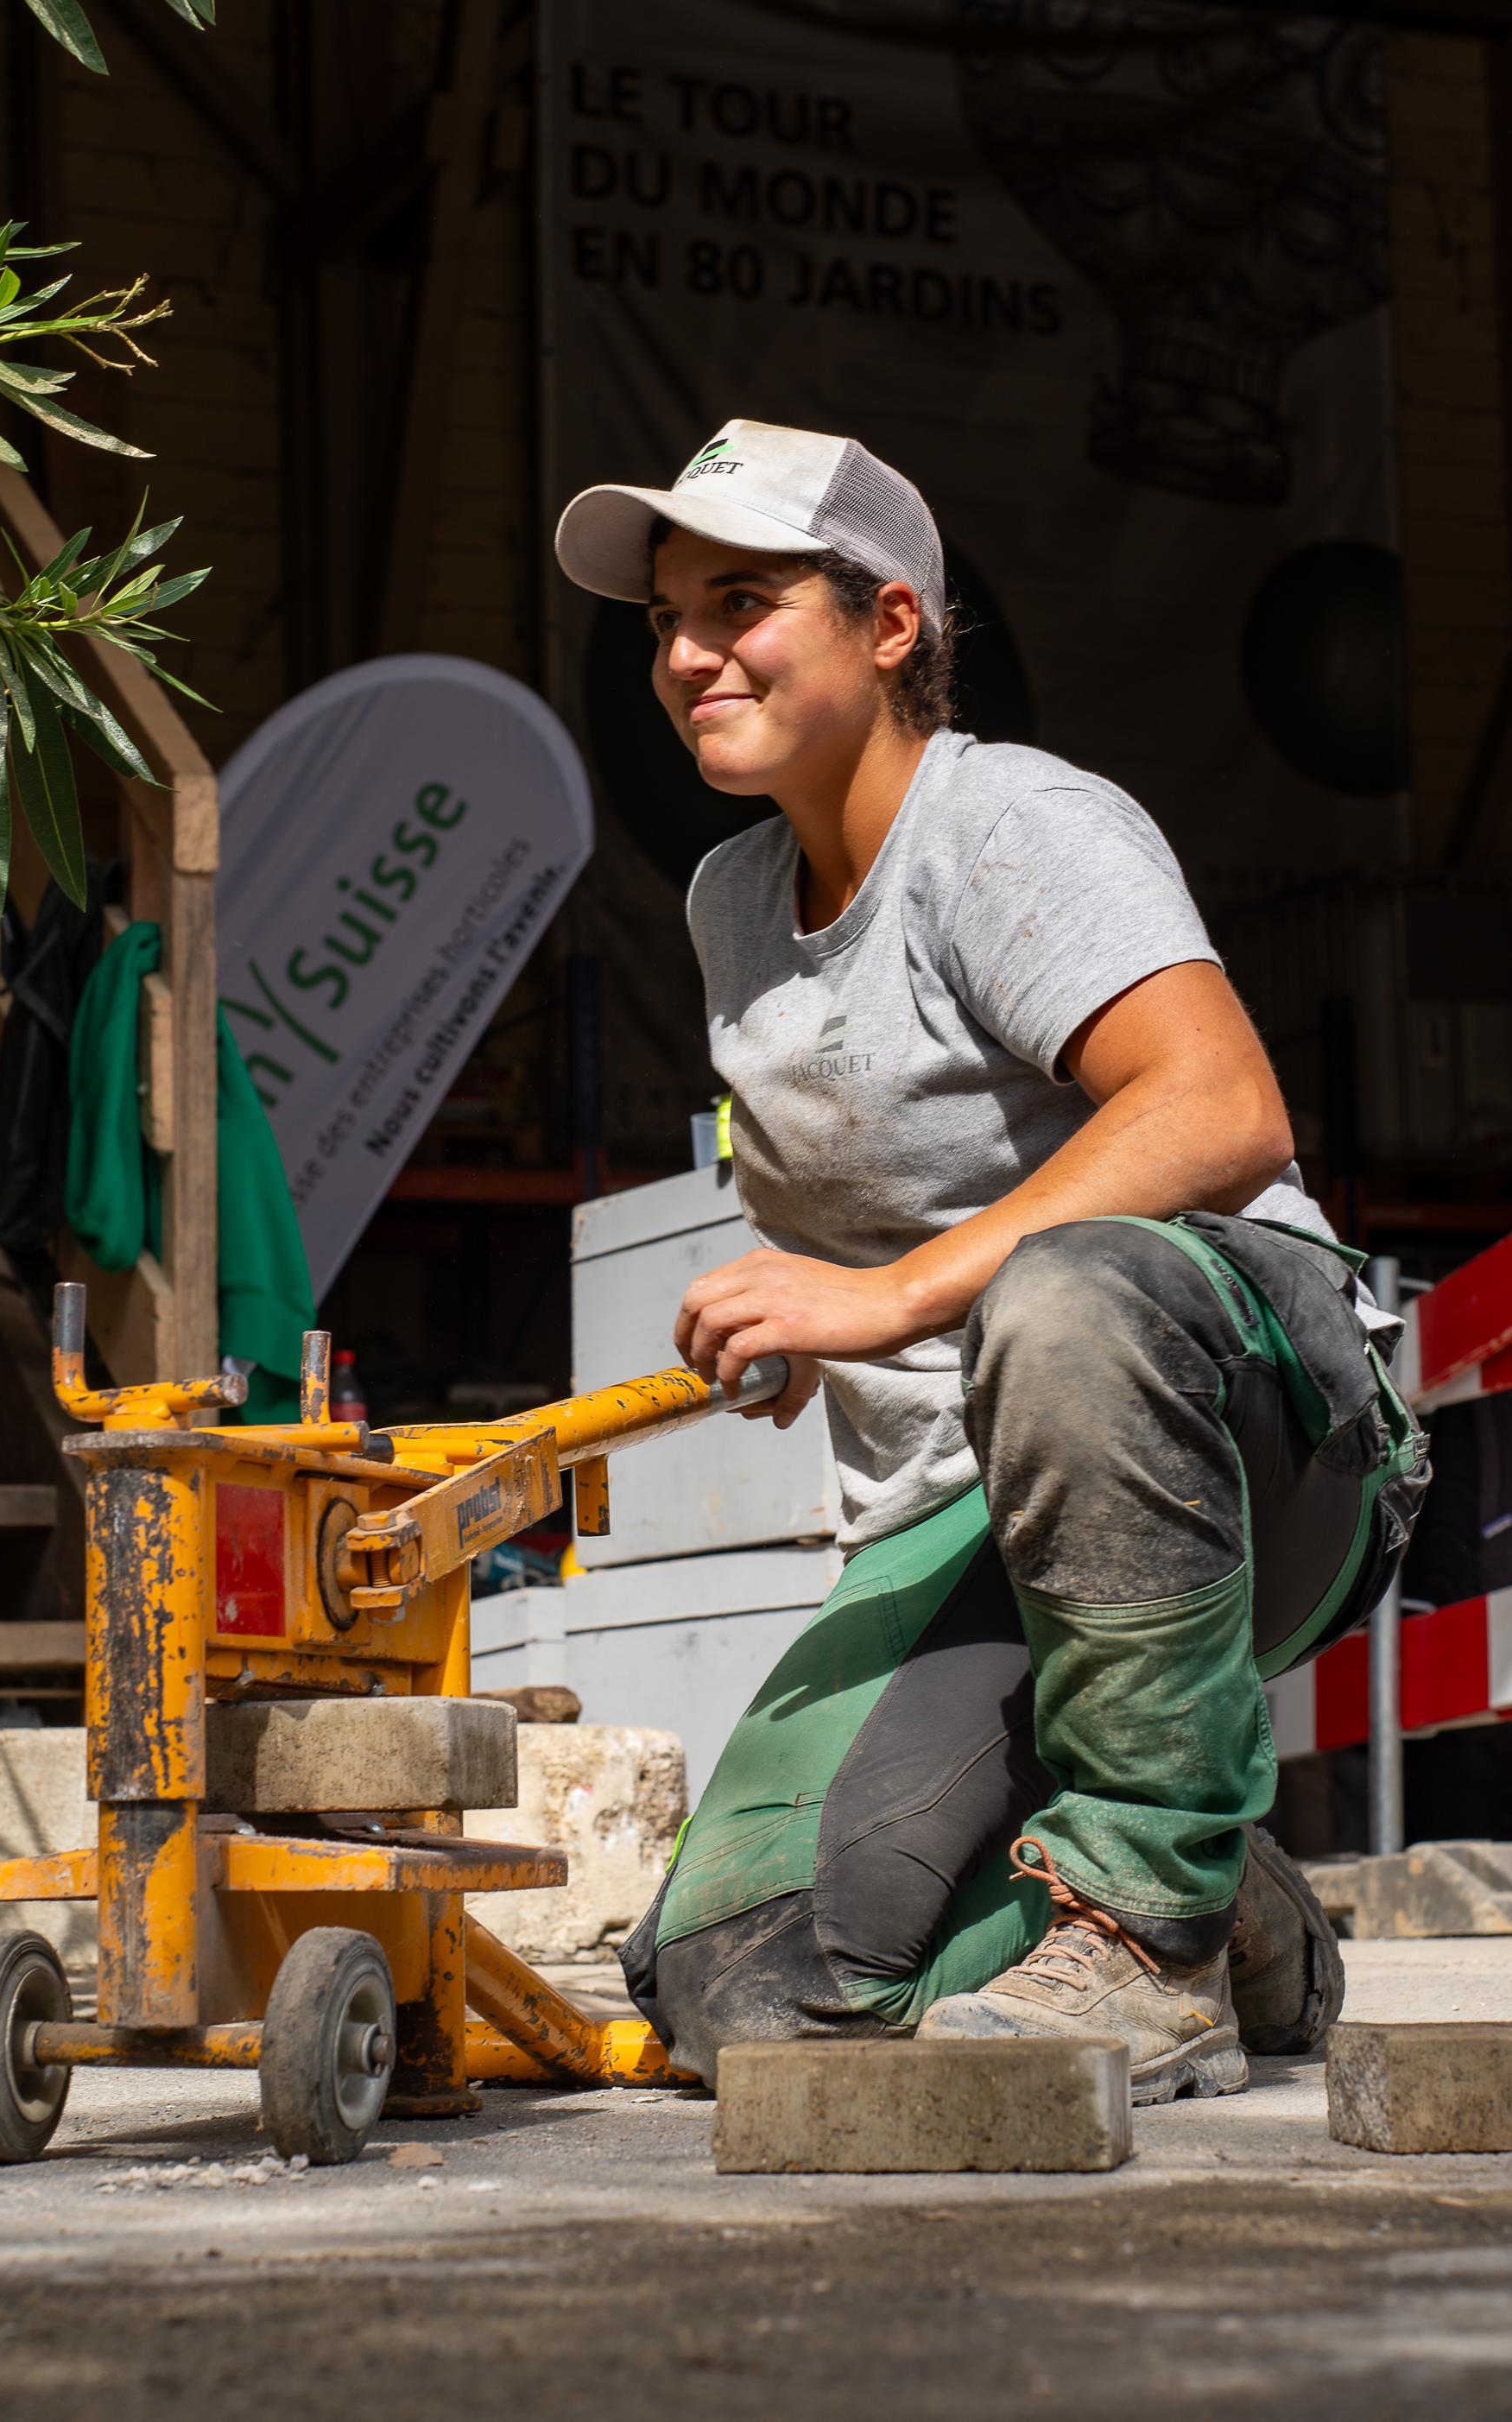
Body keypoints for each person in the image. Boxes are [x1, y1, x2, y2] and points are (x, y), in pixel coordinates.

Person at [554, 419, 1428, 2101]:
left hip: (1261, 1443)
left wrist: (886, 1296)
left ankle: (1151, 1926)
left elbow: (1221, 1105)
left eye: (739, 603)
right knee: (741, 1982)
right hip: (965, 1518)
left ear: (891, 623)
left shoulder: (1009, 823)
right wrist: (798, 1307)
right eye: (665, 617)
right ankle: (1238, 1903)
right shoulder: (731, 900)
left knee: (1068, 1286)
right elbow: (876, 1172)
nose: (682, 655)